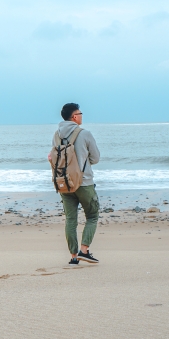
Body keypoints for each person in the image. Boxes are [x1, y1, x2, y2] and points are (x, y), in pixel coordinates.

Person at [53, 103, 101, 264]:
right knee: (92, 216)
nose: (81, 115)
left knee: (71, 220)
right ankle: (84, 250)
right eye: (80, 113)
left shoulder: (56, 135)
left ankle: (74, 256)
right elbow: (95, 158)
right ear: (74, 116)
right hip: (84, 183)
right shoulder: (85, 133)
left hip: (64, 183)